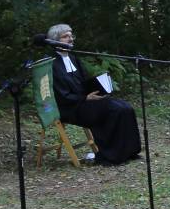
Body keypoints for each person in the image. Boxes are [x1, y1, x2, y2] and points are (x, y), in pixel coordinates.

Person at [43, 24, 141, 164]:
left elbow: (84, 82)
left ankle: (129, 152)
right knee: (113, 109)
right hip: (69, 107)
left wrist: (98, 88)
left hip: (84, 102)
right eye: (66, 36)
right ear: (54, 40)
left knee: (125, 107)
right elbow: (61, 96)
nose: (70, 39)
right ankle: (110, 155)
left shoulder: (73, 58)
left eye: (71, 35)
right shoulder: (51, 63)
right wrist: (85, 97)